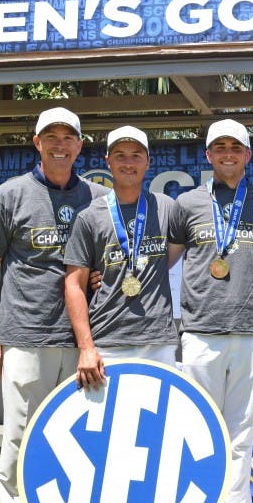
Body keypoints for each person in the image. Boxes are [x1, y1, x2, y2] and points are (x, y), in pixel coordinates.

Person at [0, 107, 107, 503]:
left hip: (83, 338)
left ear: (80, 146)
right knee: (19, 437)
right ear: (36, 142)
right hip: (25, 336)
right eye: (51, 136)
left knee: (77, 438)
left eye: (69, 137)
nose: (60, 144)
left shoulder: (99, 198)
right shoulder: (10, 196)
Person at [170, 118, 253, 503]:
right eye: (220, 147)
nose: (228, 153)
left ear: (248, 155)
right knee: (197, 432)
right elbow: (163, 261)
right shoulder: (187, 203)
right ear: (208, 155)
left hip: (251, 332)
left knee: (240, 435)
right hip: (199, 332)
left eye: (237, 147)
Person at [63, 125, 181, 389]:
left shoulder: (167, 208)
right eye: (120, 155)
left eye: (136, 155)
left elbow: (208, 214)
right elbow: (73, 284)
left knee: (158, 429)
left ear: (148, 162)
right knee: (106, 429)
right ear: (108, 161)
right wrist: (86, 347)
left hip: (157, 343)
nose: (129, 163)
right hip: (106, 342)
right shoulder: (89, 216)